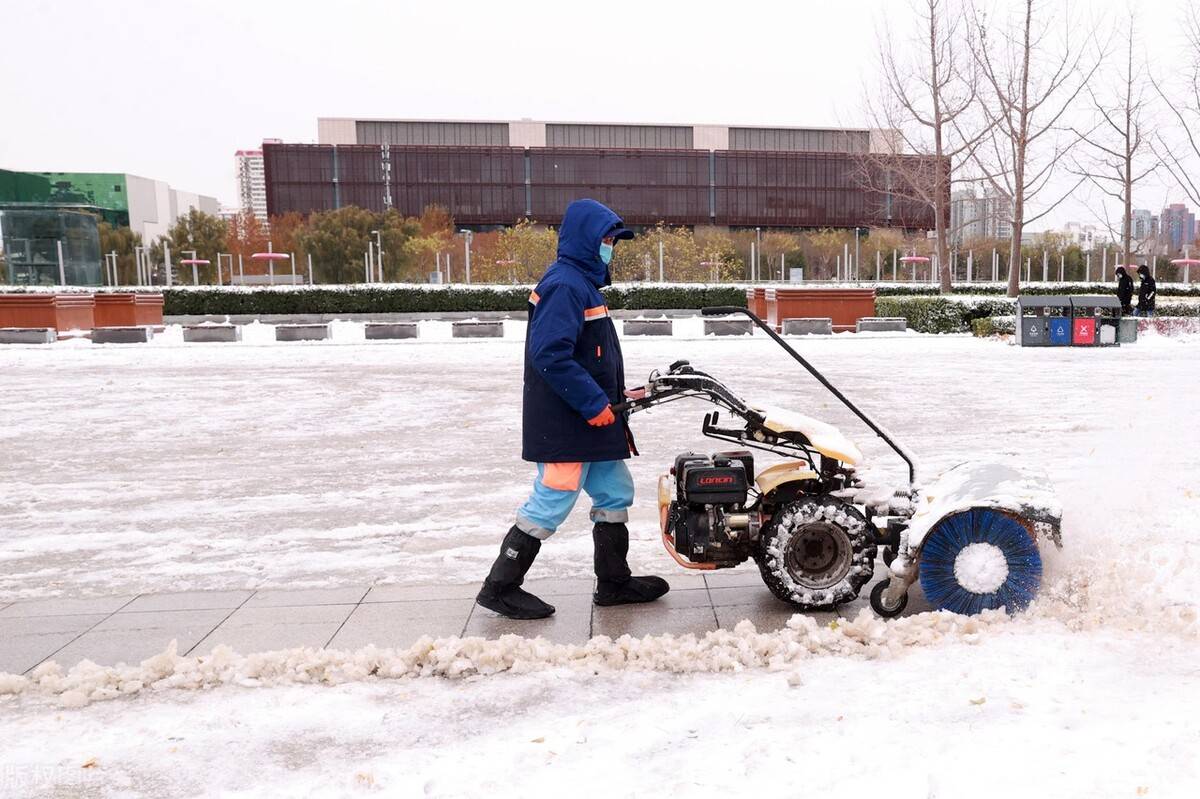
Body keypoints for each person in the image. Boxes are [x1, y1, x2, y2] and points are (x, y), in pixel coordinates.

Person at [476, 199, 670, 620]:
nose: (609, 248)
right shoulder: (564, 285)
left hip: (592, 422)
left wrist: (617, 395)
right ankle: (500, 587)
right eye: (604, 239)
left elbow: (591, 355)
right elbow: (550, 354)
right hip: (568, 422)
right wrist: (593, 401)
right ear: (584, 238)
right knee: (552, 499)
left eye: (611, 241)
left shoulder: (582, 284)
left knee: (615, 492)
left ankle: (614, 582)